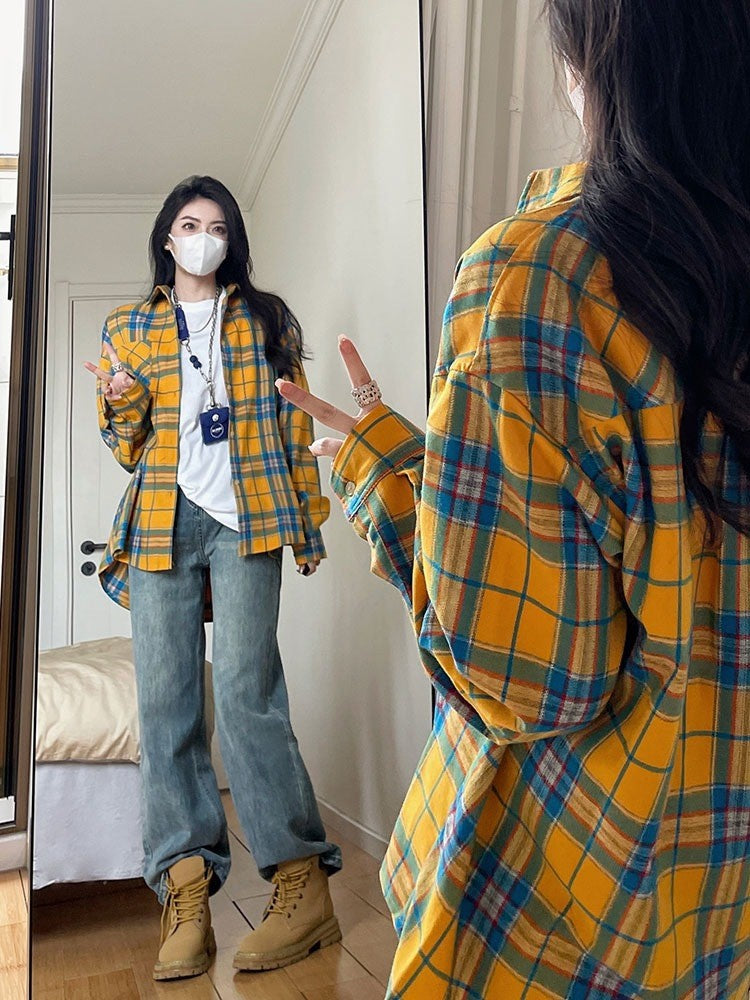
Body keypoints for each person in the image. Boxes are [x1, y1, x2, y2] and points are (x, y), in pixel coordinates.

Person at [277, 0, 750, 996]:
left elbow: (521, 680)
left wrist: (378, 477)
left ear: (598, 59)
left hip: (570, 920)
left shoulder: (541, 271)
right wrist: (431, 460)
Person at [84, 175, 342, 982]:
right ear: (167, 237)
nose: (203, 235)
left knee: (245, 690)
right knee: (165, 704)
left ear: (231, 241)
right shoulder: (128, 325)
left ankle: (302, 888)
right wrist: (122, 401)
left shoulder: (266, 319)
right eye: (190, 223)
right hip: (162, 515)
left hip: (250, 512)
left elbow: (292, 417)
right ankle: (186, 892)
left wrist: (308, 519)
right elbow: (128, 444)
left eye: (218, 225)